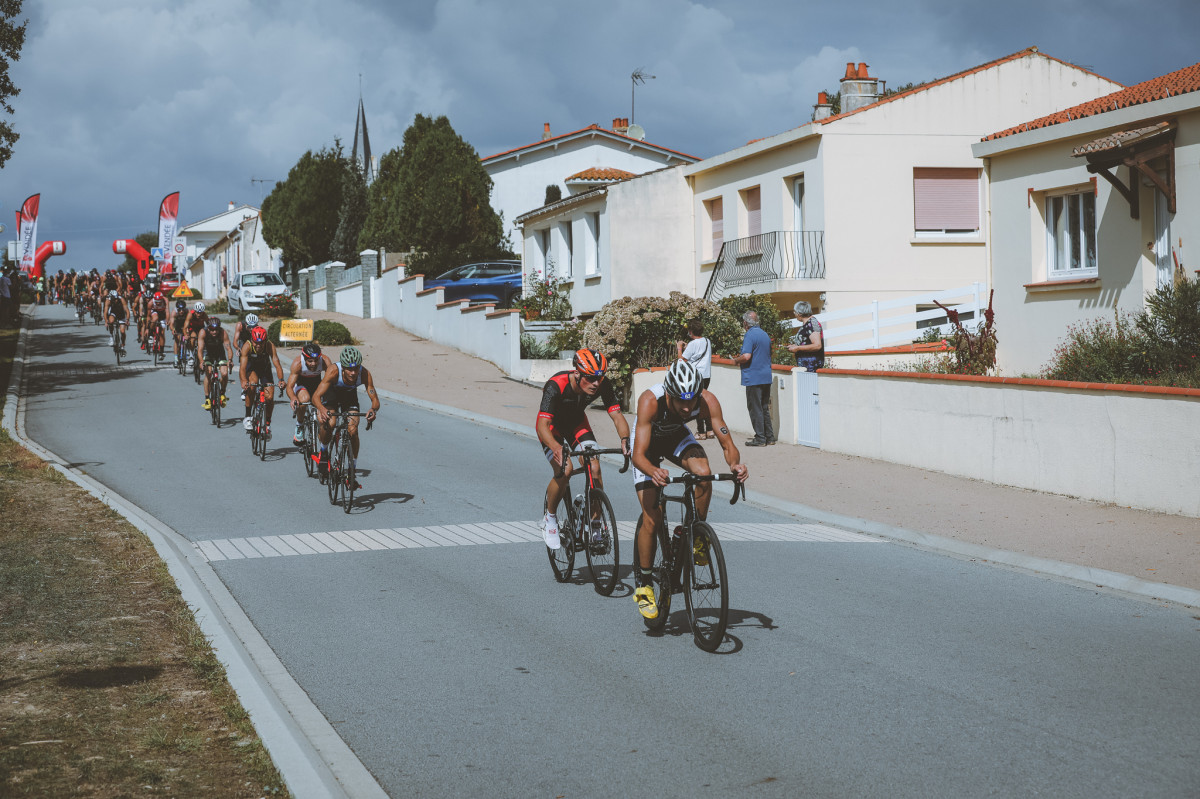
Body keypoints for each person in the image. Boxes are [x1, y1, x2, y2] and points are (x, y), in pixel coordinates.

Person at [629, 359, 748, 619]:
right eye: (680, 402)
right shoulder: (650, 400)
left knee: (703, 473)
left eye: (691, 401)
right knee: (652, 517)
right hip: (647, 446)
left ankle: (695, 533)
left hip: (675, 437)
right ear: (668, 394)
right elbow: (637, 455)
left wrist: (735, 465)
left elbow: (727, 443)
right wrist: (653, 470)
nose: (686, 408)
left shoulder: (707, 400)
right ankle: (645, 585)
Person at [535, 348, 631, 550]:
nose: (596, 383)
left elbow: (617, 416)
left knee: (594, 467)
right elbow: (543, 425)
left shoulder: (602, 384)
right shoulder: (556, 385)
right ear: (577, 373)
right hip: (552, 428)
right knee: (565, 469)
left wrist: (625, 439)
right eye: (591, 378)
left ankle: (595, 524)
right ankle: (549, 518)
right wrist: (556, 447)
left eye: (599, 377)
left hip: (576, 424)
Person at [311, 346, 380, 484]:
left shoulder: (364, 373)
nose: (353, 373)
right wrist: (322, 409)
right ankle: (323, 452)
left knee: (353, 430)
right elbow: (315, 397)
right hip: (331, 395)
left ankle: (352, 469)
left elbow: (375, 400)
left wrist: (373, 410)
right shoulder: (333, 371)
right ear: (343, 367)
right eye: (349, 369)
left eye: (356, 368)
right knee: (330, 423)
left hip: (349, 398)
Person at [730, 310, 775, 446]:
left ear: (745, 323)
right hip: (766, 376)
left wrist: (736, 360)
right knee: (764, 408)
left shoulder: (750, 335)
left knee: (755, 408)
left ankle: (760, 438)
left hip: (753, 377)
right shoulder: (764, 334)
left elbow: (746, 356)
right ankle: (769, 437)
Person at [239, 326, 285, 436]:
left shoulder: (269, 345)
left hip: (265, 369)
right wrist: (244, 380)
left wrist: (281, 380)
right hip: (251, 369)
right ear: (252, 340)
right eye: (256, 342)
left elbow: (277, 364)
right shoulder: (247, 346)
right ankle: (248, 417)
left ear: (265, 341)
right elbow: (242, 368)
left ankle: (267, 424)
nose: (258, 345)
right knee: (252, 385)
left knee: (269, 397)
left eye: (261, 343)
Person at [285, 342, 332, 445]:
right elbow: (289, 387)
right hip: (302, 385)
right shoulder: (298, 363)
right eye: (310, 361)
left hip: (317, 385)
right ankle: (300, 425)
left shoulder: (325, 361)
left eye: (316, 360)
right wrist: (293, 398)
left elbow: (332, 380)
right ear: (304, 358)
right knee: (304, 399)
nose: (313, 364)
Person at [675, 317, 713, 438]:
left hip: (695, 376)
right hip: (706, 375)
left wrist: (679, 348)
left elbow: (681, 360)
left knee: (696, 403)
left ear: (691, 331)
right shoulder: (707, 341)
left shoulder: (692, 344)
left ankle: (701, 432)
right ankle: (710, 430)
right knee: (703, 401)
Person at [196, 316, 234, 410]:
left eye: (216, 329)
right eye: (212, 330)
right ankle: (207, 399)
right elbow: (200, 350)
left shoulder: (223, 332)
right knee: (208, 373)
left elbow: (228, 348)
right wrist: (201, 362)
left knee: (224, 373)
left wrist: (230, 360)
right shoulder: (203, 332)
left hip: (219, 353)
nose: (214, 332)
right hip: (207, 353)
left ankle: (222, 393)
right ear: (208, 328)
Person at [787, 300, 825, 371]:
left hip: (811, 366)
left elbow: (817, 345)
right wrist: (795, 346)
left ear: (799, 314)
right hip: (806, 366)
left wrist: (798, 348)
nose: (794, 313)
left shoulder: (812, 324)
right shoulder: (807, 324)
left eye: (795, 311)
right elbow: (806, 342)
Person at [102, 289, 129, 354]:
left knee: (122, 332)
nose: (116, 300)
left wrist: (127, 320)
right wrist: (106, 321)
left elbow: (127, 311)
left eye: (116, 299)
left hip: (121, 313)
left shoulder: (121, 299)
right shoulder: (108, 300)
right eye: (114, 299)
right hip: (113, 312)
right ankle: (111, 335)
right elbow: (105, 312)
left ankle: (122, 345)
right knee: (111, 321)